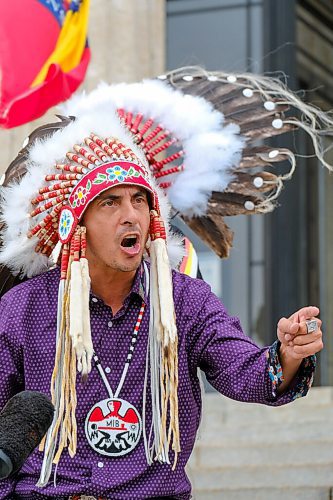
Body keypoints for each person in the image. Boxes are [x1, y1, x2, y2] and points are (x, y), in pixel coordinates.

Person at [0, 67, 330, 499]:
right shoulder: (24, 309)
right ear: (76, 223)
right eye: (111, 202)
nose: (131, 213)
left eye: (140, 199)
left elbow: (245, 373)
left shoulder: (185, 300)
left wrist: (286, 355)